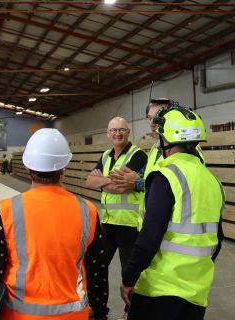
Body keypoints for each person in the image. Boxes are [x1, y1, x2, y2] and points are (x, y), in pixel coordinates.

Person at [0, 128, 109, 320]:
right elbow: (97, 272)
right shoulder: (88, 211)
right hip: (73, 315)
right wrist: (100, 312)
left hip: (19, 315)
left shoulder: (7, 210)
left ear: (27, 167)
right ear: (63, 169)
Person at [120, 106, 224, 320]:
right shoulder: (212, 181)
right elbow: (218, 239)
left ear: (165, 141)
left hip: (159, 289)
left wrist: (129, 278)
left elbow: (149, 237)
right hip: (197, 291)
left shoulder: (166, 176)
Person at [85, 117, 147, 320]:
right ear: (108, 134)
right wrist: (107, 181)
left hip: (129, 224)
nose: (117, 134)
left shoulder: (137, 155)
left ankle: (130, 313)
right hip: (108, 223)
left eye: (122, 130)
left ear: (128, 132)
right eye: (114, 130)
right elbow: (89, 181)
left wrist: (101, 181)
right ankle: (98, 308)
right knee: (96, 265)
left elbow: (122, 186)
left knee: (129, 274)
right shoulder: (105, 156)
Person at [108, 99, 204, 230]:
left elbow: (177, 188)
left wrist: (137, 183)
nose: (152, 124)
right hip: (154, 223)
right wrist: (134, 179)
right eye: (150, 118)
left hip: (173, 227)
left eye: (158, 118)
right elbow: (147, 178)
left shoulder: (187, 148)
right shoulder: (156, 148)